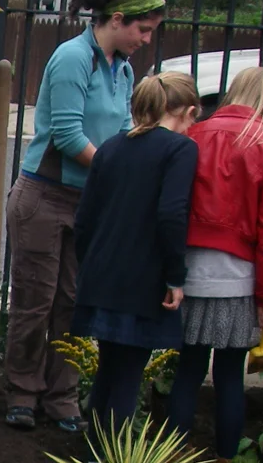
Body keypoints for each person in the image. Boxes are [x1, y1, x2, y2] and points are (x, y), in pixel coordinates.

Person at [3, 0, 164, 433]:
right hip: (44, 198)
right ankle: (23, 392)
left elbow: (116, 134)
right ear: (118, 19)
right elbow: (70, 136)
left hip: (86, 201)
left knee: (74, 303)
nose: (146, 40)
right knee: (36, 301)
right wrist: (121, 173)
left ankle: (62, 396)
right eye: (144, 30)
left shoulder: (124, 68)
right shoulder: (74, 58)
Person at [166, 66, 263, 463]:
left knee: (187, 370)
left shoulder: (195, 133)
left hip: (186, 271)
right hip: (239, 278)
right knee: (229, 378)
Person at [72, 73, 199, 435]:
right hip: (144, 279)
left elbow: (84, 219)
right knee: (128, 372)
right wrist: (176, 276)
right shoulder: (180, 150)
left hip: (102, 273)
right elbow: (172, 213)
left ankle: (94, 456)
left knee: (109, 369)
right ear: (188, 112)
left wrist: (89, 265)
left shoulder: (110, 147)